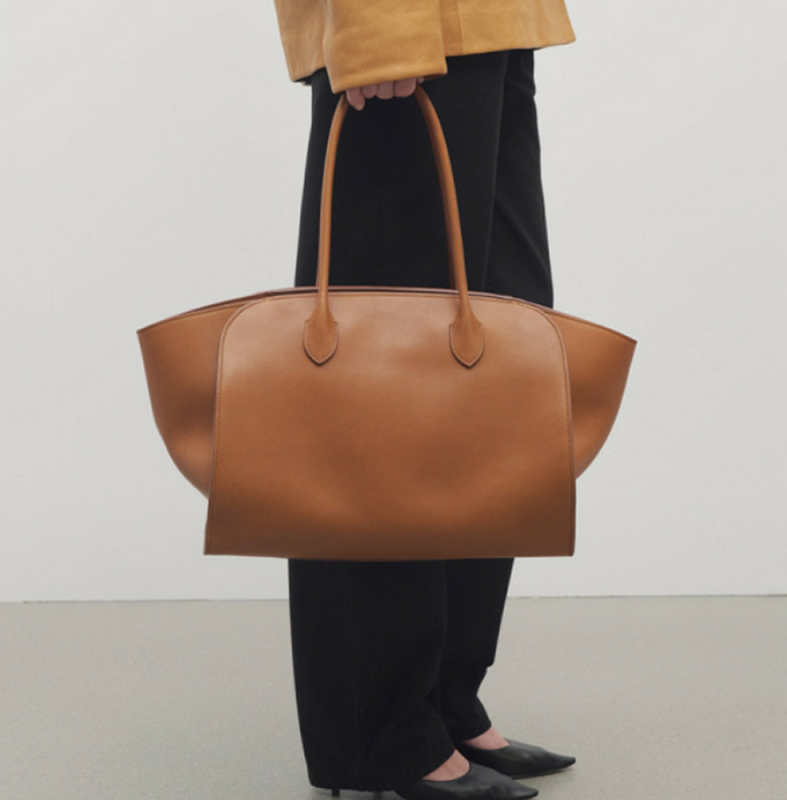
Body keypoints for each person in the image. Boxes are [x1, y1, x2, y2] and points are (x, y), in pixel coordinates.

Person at [271, 2, 579, 798]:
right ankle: (384, 731)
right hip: (407, 28)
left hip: (493, 23)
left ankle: (445, 696)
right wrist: (377, 26)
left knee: (497, 359)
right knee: (384, 384)